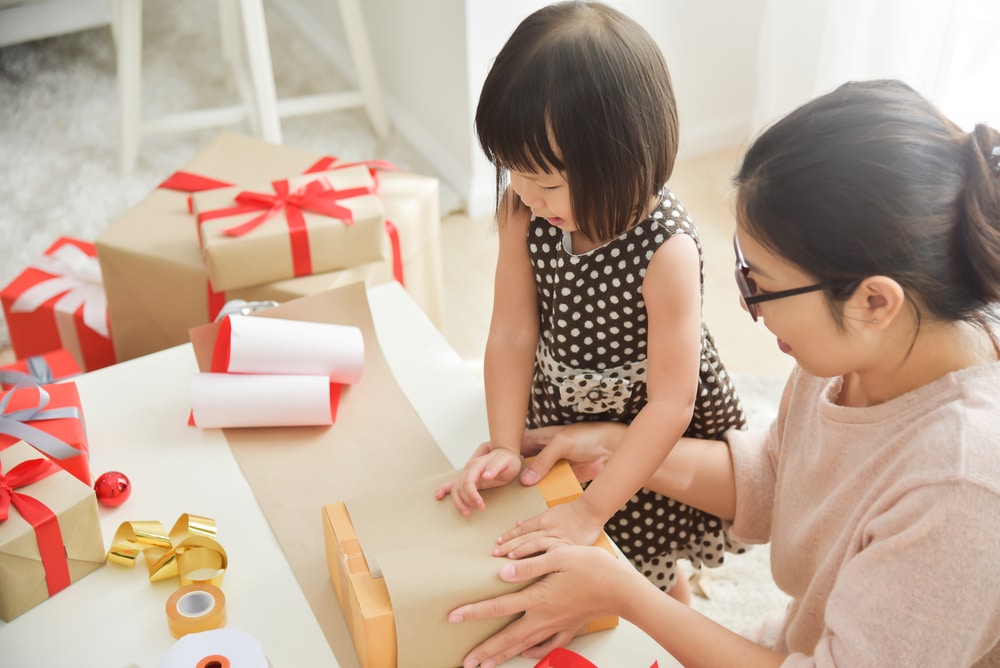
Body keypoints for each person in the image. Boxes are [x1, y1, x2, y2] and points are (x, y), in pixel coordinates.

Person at [447, 78, 1000, 667]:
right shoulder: (856, 356)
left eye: (758, 283)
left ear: (873, 302)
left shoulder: (960, 490)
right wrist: (611, 444)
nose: (746, 304)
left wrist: (624, 592)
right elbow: (775, 477)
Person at [434, 0, 748, 603]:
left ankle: (674, 602)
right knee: (551, 524)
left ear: (622, 164)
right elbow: (510, 334)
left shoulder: (667, 250)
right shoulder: (523, 211)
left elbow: (671, 405)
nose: (524, 193)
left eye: (546, 181)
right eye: (511, 170)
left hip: (643, 426)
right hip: (560, 396)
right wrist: (503, 444)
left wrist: (593, 512)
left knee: (639, 563)